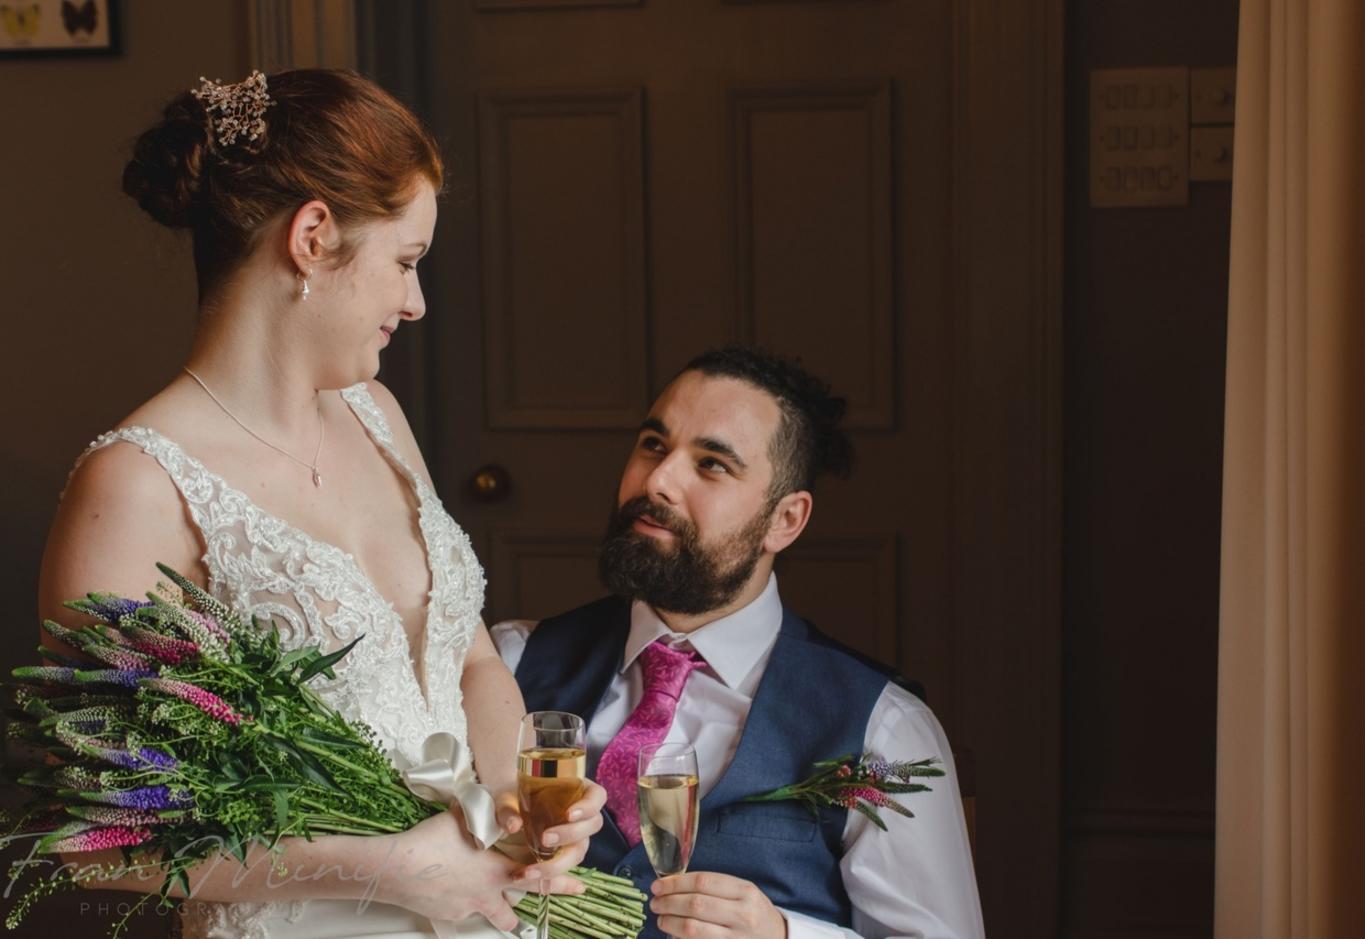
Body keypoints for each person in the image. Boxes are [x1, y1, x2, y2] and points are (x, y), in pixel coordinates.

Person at [38, 68, 604, 939]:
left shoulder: (376, 415)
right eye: (406, 262)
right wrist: (393, 871)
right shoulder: (137, 483)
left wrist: (522, 802)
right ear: (312, 236)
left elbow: (470, 661)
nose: (416, 303)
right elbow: (95, 832)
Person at [493, 347, 985, 939]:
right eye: (653, 444)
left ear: (786, 520)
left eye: (712, 465)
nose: (658, 480)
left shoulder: (884, 729)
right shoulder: (512, 663)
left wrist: (785, 935)